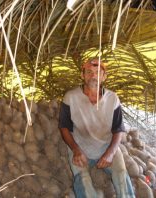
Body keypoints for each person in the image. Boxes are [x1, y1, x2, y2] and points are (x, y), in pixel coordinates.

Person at [58, 58, 135, 198]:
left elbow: (118, 129)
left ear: (104, 77)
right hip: (80, 148)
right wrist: (75, 150)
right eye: (89, 72)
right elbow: (64, 128)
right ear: (82, 75)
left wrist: (111, 153)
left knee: (121, 174)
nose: (93, 76)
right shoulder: (70, 97)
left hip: (106, 146)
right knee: (83, 179)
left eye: (98, 72)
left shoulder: (113, 99)